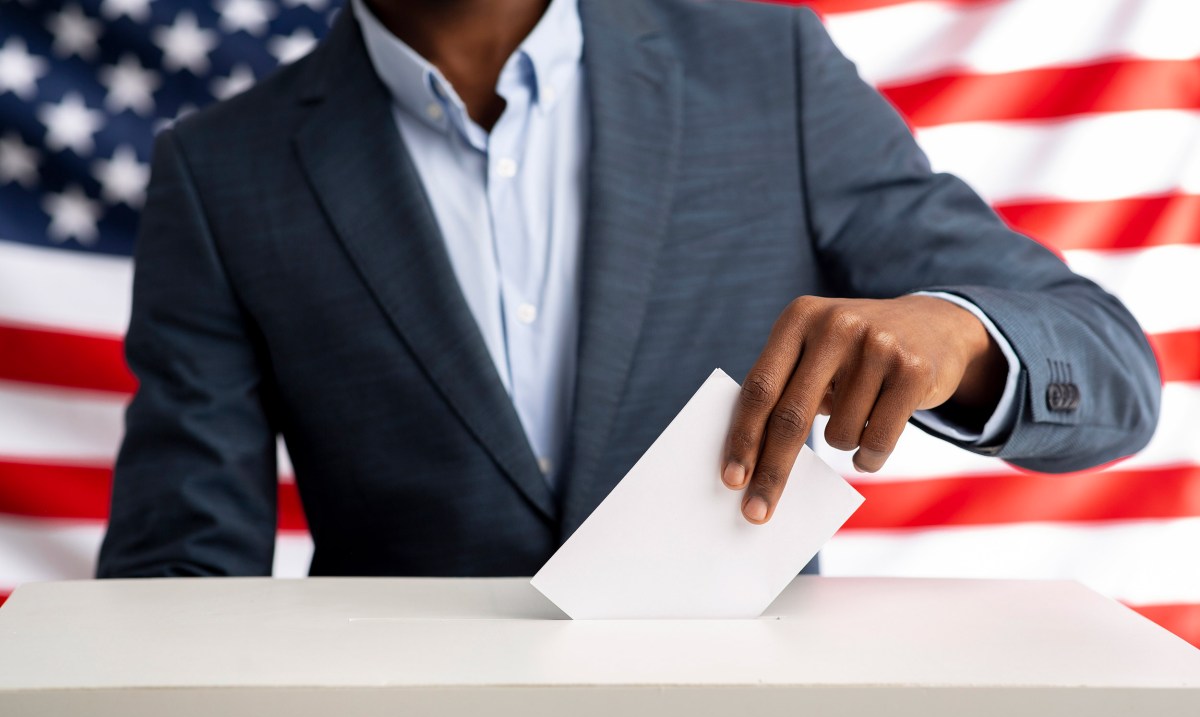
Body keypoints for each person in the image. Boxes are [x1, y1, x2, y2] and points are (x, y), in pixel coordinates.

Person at [97, 0, 1160, 578]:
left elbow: (1112, 373)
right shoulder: (222, 170)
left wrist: (963, 338)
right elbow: (180, 572)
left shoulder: (766, 66)